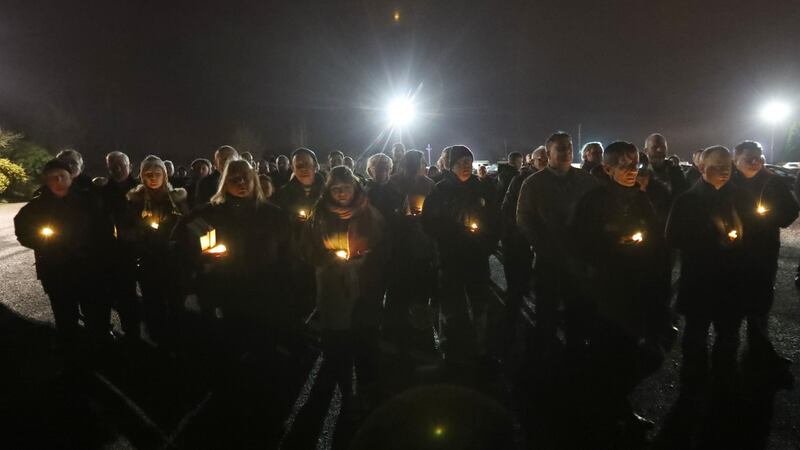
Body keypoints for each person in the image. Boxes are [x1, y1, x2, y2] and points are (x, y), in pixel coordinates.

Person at [571, 141, 672, 439]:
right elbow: (580, 243)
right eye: (624, 165)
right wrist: (614, 245)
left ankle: (618, 404)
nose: (631, 170)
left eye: (635, 164)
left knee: (630, 352)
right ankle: (605, 410)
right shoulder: (593, 201)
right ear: (607, 168)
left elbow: (657, 242)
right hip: (607, 291)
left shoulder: (641, 200)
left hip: (638, 289)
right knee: (608, 352)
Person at [181, 160, 293, 356]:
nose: (241, 182)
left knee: (263, 346)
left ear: (254, 180)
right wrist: (200, 258)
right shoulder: (208, 213)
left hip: (263, 291)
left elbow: (288, 253)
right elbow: (183, 241)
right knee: (230, 345)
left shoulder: (273, 214)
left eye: (246, 178)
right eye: (234, 179)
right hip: (226, 291)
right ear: (225, 182)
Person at [666, 146, 753, 398]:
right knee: (696, 333)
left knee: (729, 333)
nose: (724, 171)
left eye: (727, 166)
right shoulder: (687, 200)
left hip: (733, 280)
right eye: (716, 166)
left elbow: (756, 234)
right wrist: (712, 240)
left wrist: (740, 242)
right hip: (699, 279)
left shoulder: (742, 197)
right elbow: (673, 237)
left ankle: (724, 379)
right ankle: (693, 379)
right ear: (702, 168)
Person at [302, 166, 387, 400]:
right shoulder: (318, 215)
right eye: (336, 189)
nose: (341, 194)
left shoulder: (370, 214)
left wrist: (363, 261)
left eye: (346, 188)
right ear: (328, 191)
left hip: (365, 286)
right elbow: (307, 247)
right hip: (332, 287)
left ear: (355, 188)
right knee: (337, 343)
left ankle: (367, 389)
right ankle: (345, 391)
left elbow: (383, 248)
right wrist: (329, 259)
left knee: (365, 339)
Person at [14, 159, 111, 351]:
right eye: (53, 178)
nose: (58, 181)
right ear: (46, 181)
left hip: (89, 270)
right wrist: (42, 242)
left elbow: (104, 229)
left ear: (71, 177)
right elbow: (23, 230)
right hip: (56, 271)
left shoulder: (88, 200)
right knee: (65, 317)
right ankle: (72, 356)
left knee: (95, 313)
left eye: (62, 176)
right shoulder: (37, 206)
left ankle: (100, 349)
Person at [516, 132, 598, 354]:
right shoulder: (534, 183)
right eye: (560, 148)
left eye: (569, 147)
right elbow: (524, 218)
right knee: (547, 309)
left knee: (577, 308)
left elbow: (599, 213)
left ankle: (576, 350)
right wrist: (543, 245)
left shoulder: (586, 181)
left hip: (579, 258)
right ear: (548, 152)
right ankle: (545, 354)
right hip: (548, 260)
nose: (566, 152)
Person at [422, 145, 500, 363]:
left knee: (480, 301)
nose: (465, 167)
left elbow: (495, 219)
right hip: (451, 256)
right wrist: (450, 236)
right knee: (451, 302)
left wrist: (487, 243)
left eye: (468, 162)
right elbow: (429, 222)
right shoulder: (440, 190)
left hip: (477, 255)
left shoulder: (483, 188)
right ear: (450, 165)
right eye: (460, 163)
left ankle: (481, 346)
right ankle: (450, 346)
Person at [732, 141, 798, 381]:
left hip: (764, 252)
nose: (754, 161)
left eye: (758, 156)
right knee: (731, 306)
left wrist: (770, 218)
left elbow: (791, 211)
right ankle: (726, 357)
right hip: (733, 255)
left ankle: (758, 351)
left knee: (761, 303)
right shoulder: (728, 182)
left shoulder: (773, 181)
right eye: (748, 157)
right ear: (735, 159)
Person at [121, 155, 189, 350]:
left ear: (165, 175)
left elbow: (188, 223)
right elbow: (125, 229)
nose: (153, 178)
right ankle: (158, 337)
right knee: (152, 300)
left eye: (157, 173)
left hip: (173, 259)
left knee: (176, 300)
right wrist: (139, 232)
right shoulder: (135, 199)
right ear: (142, 176)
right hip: (148, 259)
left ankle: (179, 337)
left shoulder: (177, 198)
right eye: (148, 174)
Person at [385, 150, 437, 353]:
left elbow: (434, 211)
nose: (417, 167)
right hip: (400, 245)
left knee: (420, 292)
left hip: (422, 245)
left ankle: (420, 334)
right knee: (399, 292)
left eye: (419, 163)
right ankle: (396, 335)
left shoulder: (428, 184)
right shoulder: (393, 183)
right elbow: (387, 212)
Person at [274, 148, 327, 320]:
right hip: (297, 254)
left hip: (326, 251)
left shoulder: (329, 190)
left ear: (316, 166)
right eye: (299, 165)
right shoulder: (283, 193)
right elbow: (278, 223)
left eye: (307, 164)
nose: (303, 169)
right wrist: (292, 220)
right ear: (293, 169)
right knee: (301, 295)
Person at [98, 151, 141, 341]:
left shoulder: (141, 188)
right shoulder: (102, 190)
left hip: (141, 246)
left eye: (121, 165)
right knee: (124, 292)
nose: (117, 169)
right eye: (113, 166)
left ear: (129, 166)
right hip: (115, 250)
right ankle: (131, 331)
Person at [644, 133, 688, 199]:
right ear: (646, 150)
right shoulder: (639, 173)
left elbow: (684, 193)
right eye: (654, 147)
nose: (659, 150)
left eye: (663, 147)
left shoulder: (675, 170)